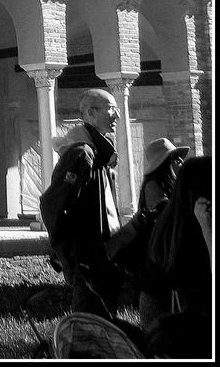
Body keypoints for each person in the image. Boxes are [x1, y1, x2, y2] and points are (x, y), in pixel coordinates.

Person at [40, 88, 124, 320]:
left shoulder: (98, 154)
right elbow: (51, 204)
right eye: (112, 109)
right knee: (90, 329)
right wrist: (67, 255)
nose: (117, 115)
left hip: (102, 260)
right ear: (90, 113)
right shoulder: (82, 154)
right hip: (88, 263)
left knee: (103, 330)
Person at [140, 155, 212, 358]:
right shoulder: (194, 232)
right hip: (181, 333)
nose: (178, 162)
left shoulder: (167, 223)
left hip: (160, 329)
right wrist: (207, 230)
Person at [137, 137, 188, 213]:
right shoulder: (152, 186)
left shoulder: (174, 183)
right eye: (176, 157)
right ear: (166, 163)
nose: (181, 160)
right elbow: (171, 214)